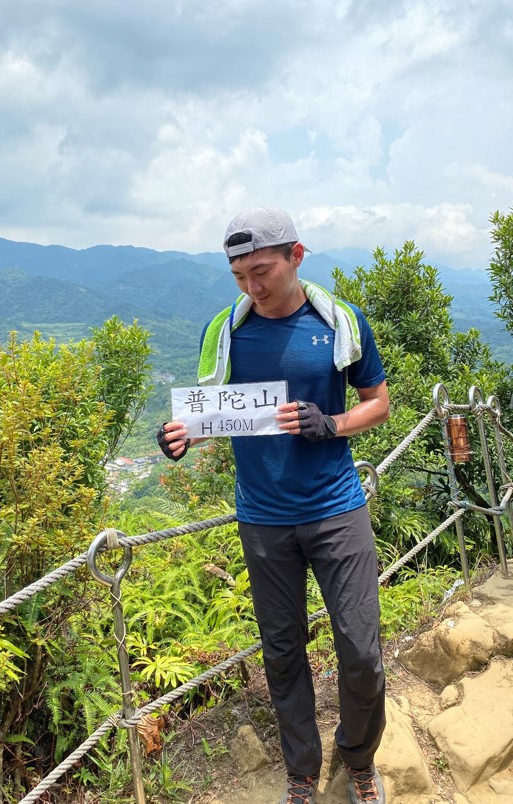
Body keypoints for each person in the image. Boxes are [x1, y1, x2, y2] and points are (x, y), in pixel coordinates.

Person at [157, 207, 390, 804]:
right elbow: (217, 413)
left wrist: (330, 422)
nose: (252, 286)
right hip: (262, 517)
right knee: (282, 652)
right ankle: (301, 771)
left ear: (296, 255)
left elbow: (378, 404)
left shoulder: (339, 321)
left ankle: (358, 757)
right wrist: (182, 436)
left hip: (336, 507)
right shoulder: (227, 331)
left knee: (360, 649)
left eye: (262, 271)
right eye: (239, 276)